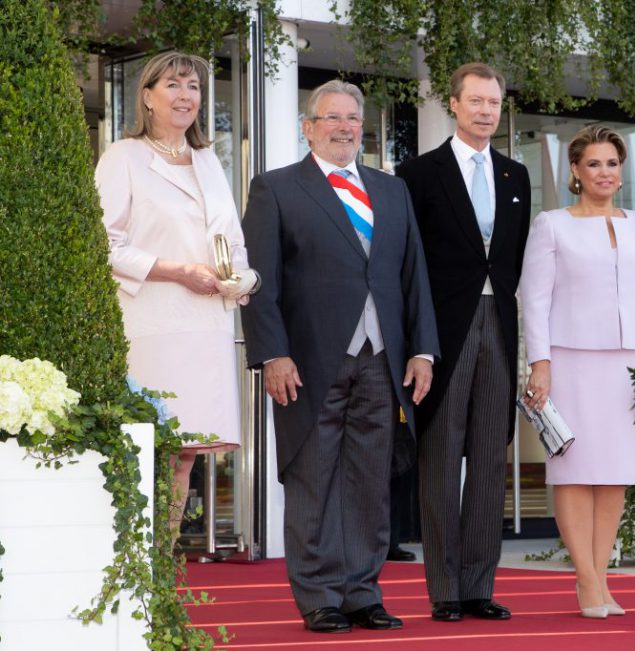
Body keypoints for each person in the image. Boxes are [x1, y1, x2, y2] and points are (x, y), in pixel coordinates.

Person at [240, 79, 439, 634]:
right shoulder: (276, 189)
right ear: (308, 127)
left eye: (353, 118)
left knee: (369, 480)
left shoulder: (390, 190)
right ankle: (320, 595)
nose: (345, 127)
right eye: (332, 118)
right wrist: (272, 353)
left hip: (382, 359)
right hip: (308, 361)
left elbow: (412, 274)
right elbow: (260, 283)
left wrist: (422, 349)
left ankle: (361, 591)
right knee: (314, 478)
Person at [95, 52, 258, 535]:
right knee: (149, 452)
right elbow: (102, 244)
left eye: (193, 87)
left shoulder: (209, 161)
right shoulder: (124, 157)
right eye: (174, 84)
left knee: (185, 457)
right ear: (147, 96)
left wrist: (243, 279)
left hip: (206, 326)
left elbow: (232, 243)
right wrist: (177, 270)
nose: (186, 95)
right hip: (153, 325)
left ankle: (159, 576)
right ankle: (132, 574)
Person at [397, 62, 531, 623]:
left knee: (488, 463)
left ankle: (479, 585)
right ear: (453, 104)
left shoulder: (516, 177)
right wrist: (417, 342)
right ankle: (444, 589)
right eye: (475, 101)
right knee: (440, 459)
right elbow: (408, 266)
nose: (485, 112)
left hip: (498, 324)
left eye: (493, 103)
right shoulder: (417, 174)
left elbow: (514, 261)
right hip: (442, 334)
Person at [521, 125, 635, 618]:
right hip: (571, 359)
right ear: (576, 173)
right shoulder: (552, 224)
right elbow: (535, 301)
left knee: (615, 476)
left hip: (631, 362)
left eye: (612, 164)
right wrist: (540, 364)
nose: (605, 173)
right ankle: (586, 581)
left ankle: (600, 578)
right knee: (574, 473)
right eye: (594, 164)